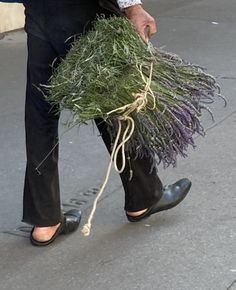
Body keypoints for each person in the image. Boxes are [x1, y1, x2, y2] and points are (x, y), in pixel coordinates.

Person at [20, 0, 192, 246]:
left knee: (41, 111)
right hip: (83, 8)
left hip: (39, 9)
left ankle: (44, 220)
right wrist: (132, 6)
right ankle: (144, 196)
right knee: (112, 100)